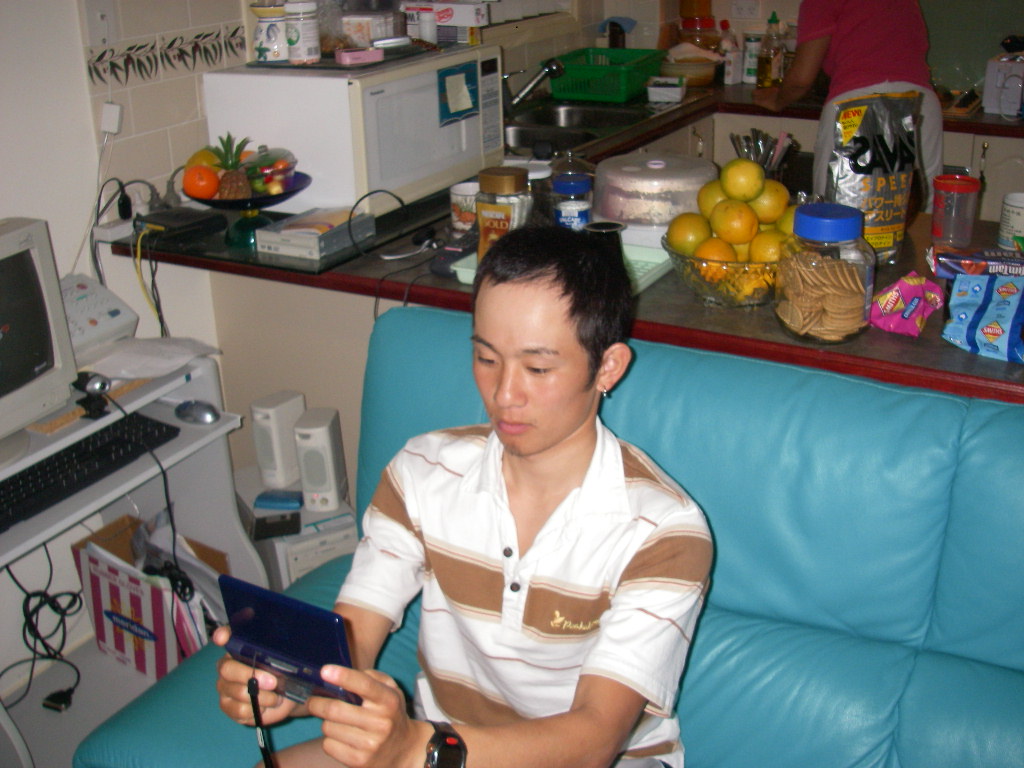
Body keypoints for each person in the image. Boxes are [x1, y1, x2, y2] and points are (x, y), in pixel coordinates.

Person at [215, 226, 713, 768]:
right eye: (486, 358)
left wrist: (417, 748)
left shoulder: (663, 532)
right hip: (440, 746)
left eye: (538, 368)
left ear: (608, 367)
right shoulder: (422, 473)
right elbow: (354, 634)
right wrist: (288, 683)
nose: (504, 395)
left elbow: (595, 739)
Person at [752, 0, 943, 209]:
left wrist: (776, 100)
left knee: (834, 213)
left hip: (857, 105)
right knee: (918, 212)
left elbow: (800, 81)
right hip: (920, 104)